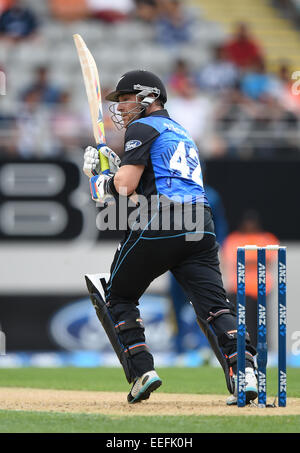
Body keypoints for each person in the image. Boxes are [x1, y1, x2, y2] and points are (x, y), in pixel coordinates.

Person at [82, 69, 257, 405]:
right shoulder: (180, 130)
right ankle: (245, 373)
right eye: (118, 101)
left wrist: (101, 180)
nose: (120, 107)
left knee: (117, 296)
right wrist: (115, 170)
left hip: (163, 219)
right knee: (215, 307)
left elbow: (126, 187)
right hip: (199, 223)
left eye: (126, 98)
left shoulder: (141, 126)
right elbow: (143, 187)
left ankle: (142, 372)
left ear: (150, 97)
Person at [221, 210, 279, 348]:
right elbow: (233, 259)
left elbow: (269, 259)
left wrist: (248, 260)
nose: (250, 225)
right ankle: (243, 350)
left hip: (261, 288)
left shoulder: (267, 238)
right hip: (239, 290)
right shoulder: (233, 239)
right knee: (242, 324)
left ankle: (265, 351)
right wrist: (256, 260)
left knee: (262, 324)